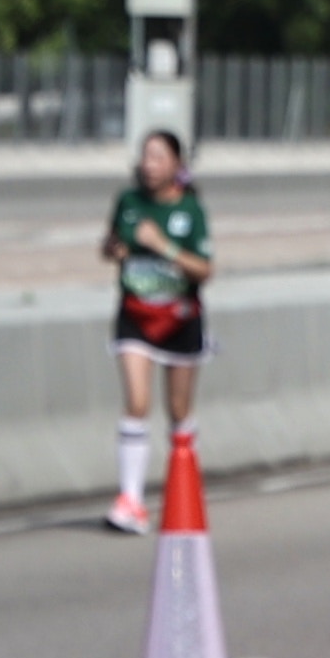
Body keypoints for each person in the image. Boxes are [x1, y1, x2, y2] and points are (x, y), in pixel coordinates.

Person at [104, 128, 215, 534]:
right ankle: (130, 499)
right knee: (136, 401)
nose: (149, 165)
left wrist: (163, 245)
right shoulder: (128, 202)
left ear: (176, 166)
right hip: (135, 313)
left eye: (158, 157)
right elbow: (112, 243)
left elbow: (205, 269)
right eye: (145, 157)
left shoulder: (191, 210)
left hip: (179, 317)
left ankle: (185, 485)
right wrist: (115, 250)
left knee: (179, 411)